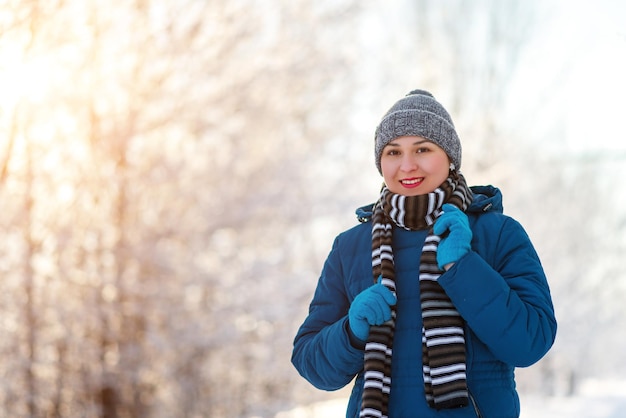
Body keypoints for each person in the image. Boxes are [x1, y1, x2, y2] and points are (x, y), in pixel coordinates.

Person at [291, 89, 557, 418]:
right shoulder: (350, 247)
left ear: (449, 156)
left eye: (423, 149)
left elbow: (530, 342)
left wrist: (464, 267)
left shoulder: (498, 234)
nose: (407, 165)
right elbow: (310, 363)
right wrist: (350, 330)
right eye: (393, 152)